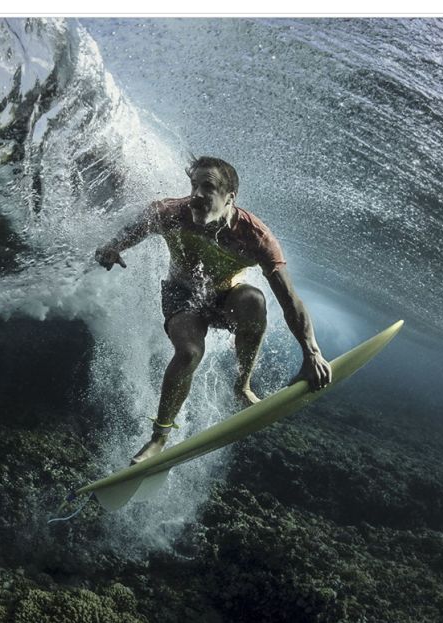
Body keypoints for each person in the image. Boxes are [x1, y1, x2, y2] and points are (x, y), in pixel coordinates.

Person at [95, 156, 332, 465]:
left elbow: (290, 300)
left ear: (230, 198)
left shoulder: (255, 237)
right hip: (181, 295)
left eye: (208, 187)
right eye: (194, 185)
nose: (196, 195)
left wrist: (311, 352)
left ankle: (242, 386)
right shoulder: (172, 213)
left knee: (254, 300)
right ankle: (158, 439)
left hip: (225, 299)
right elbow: (138, 224)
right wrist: (113, 247)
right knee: (190, 352)